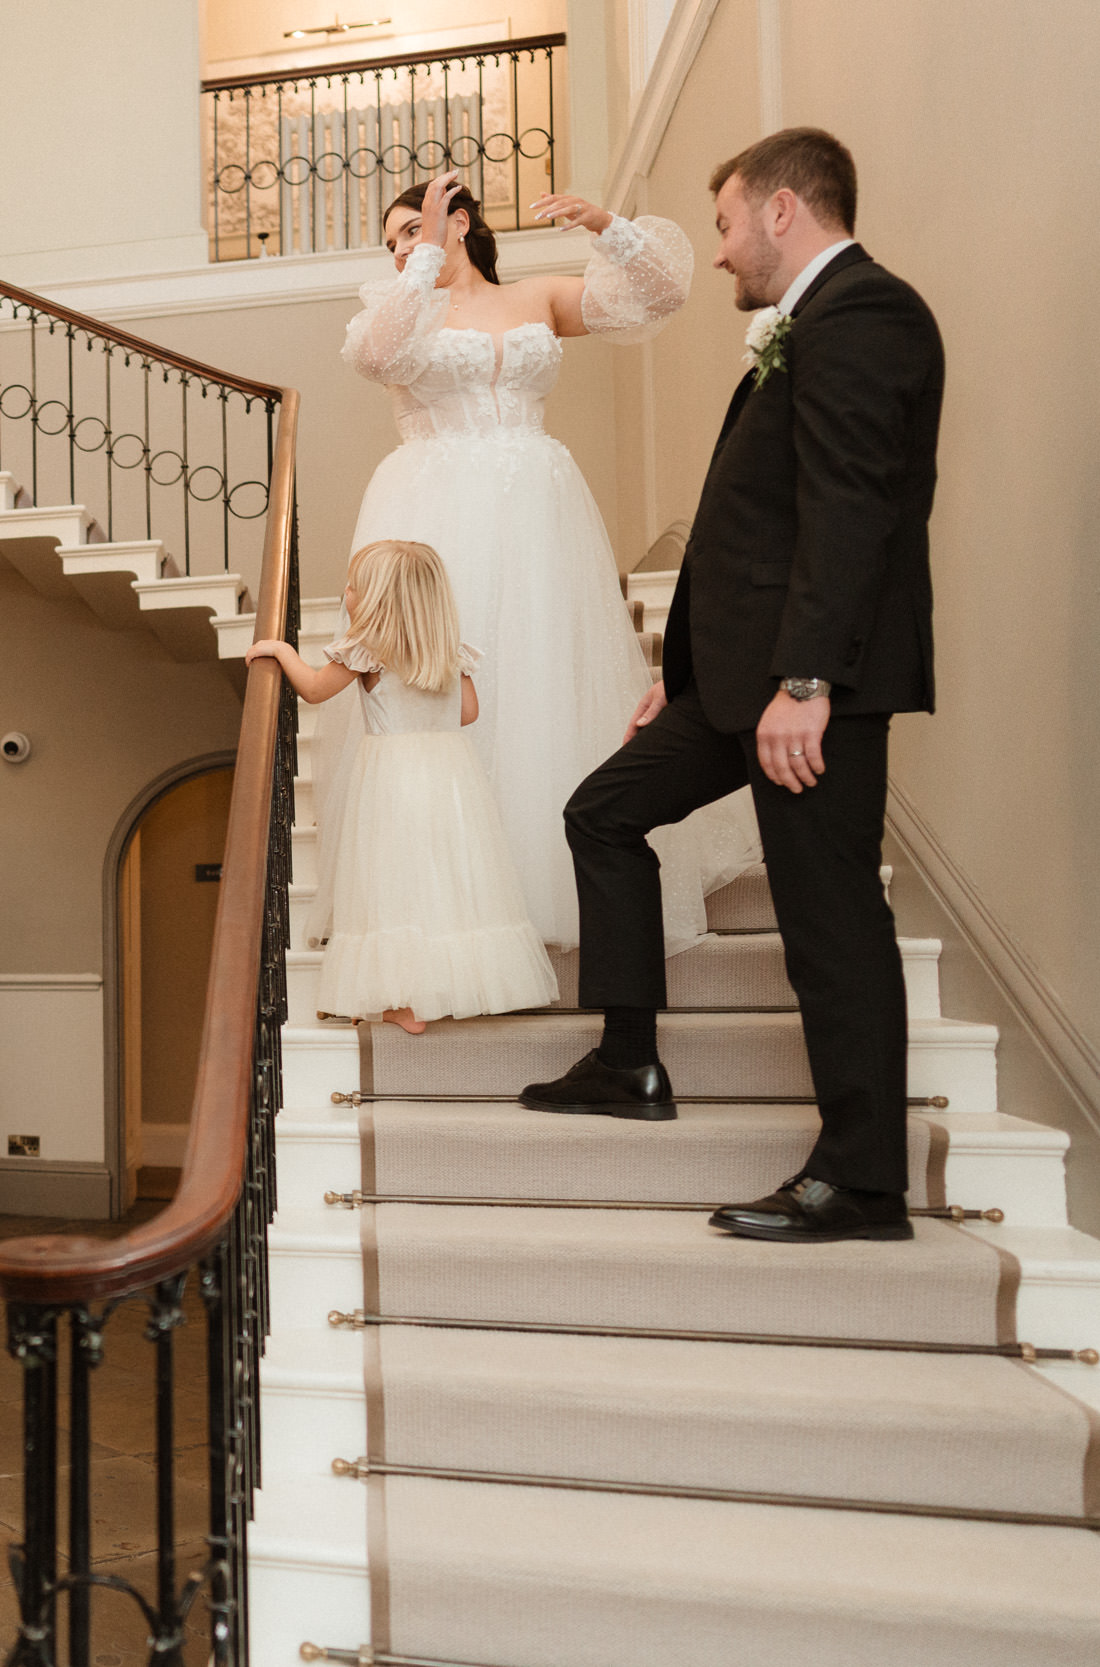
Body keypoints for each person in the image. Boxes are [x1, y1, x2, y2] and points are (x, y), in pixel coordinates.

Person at [522, 130, 942, 1246]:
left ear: (781, 210)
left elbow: (850, 512)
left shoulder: (865, 314)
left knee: (828, 919)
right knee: (602, 811)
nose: (716, 252)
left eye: (723, 224)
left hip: (808, 688)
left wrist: (807, 679)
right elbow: (752, 529)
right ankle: (629, 1059)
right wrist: (684, 676)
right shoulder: (808, 323)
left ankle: (862, 1182)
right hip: (738, 682)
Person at [319, 168, 759, 956]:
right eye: (392, 243)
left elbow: (659, 294)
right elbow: (377, 357)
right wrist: (422, 260)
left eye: (413, 230)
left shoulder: (537, 297)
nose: (401, 250)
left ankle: (548, 886)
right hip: (435, 510)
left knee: (541, 682)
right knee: (447, 689)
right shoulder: (401, 310)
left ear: (460, 221)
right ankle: (454, 910)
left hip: (537, 506)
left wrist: (606, 226)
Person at [251, 541, 558, 1032]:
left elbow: (313, 689)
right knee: (445, 878)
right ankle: (461, 984)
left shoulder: (367, 649)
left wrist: (282, 651)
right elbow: (468, 713)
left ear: (377, 599)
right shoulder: (448, 650)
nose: (347, 592)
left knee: (393, 880)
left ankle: (403, 1000)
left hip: (392, 775)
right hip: (449, 773)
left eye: (354, 586)